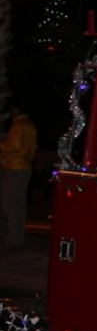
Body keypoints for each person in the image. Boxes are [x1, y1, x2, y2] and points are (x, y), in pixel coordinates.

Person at [0, 100, 38, 249]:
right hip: (24, 166)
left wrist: (1, 144)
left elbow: (13, 146)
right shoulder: (29, 124)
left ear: (15, 109)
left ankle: (12, 237)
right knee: (18, 203)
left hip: (14, 167)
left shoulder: (18, 125)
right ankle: (16, 236)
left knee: (9, 204)